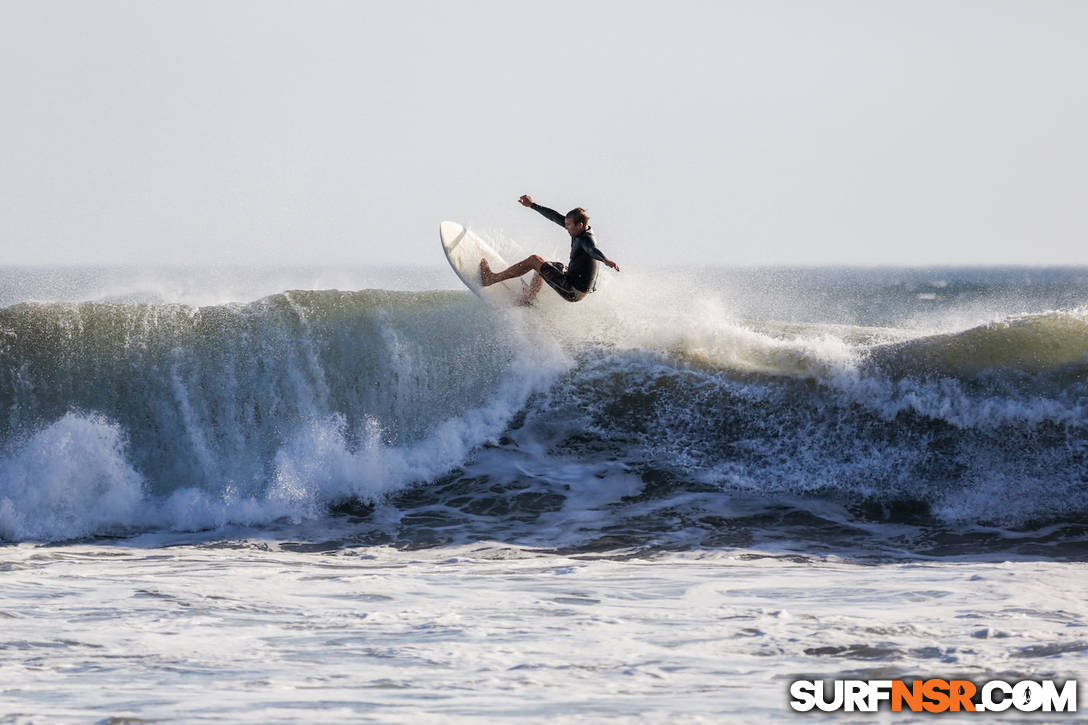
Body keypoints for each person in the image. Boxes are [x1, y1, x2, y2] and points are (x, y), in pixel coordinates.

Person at [480, 195, 620, 304]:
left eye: (568, 225)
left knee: (534, 260)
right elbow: (554, 217)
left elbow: (592, 250)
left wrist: (606, 260)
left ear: (580, 225)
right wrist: (532, 205)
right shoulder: (578, 230)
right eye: (565, 224)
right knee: (545, 265)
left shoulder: (585, 239)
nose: (566, 227)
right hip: (572, 280)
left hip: (573, 291)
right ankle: (529, 298)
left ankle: (491, 279)